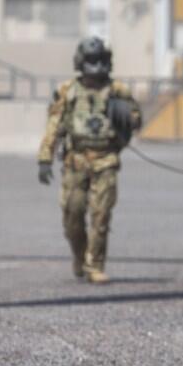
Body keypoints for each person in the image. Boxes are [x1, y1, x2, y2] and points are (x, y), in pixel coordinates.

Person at [37, 37, 141, 284]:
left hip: (106, 160)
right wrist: (45, 158)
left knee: (100, 215)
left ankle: (94, 265)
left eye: (100, 60)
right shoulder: (68, 91)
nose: (96, 66)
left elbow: (136, 119)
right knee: (73, 216)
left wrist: (126, 115)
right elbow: (54, 125)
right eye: (91, 61)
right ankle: (80, 256)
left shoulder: (118, 91)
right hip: (76, 162)